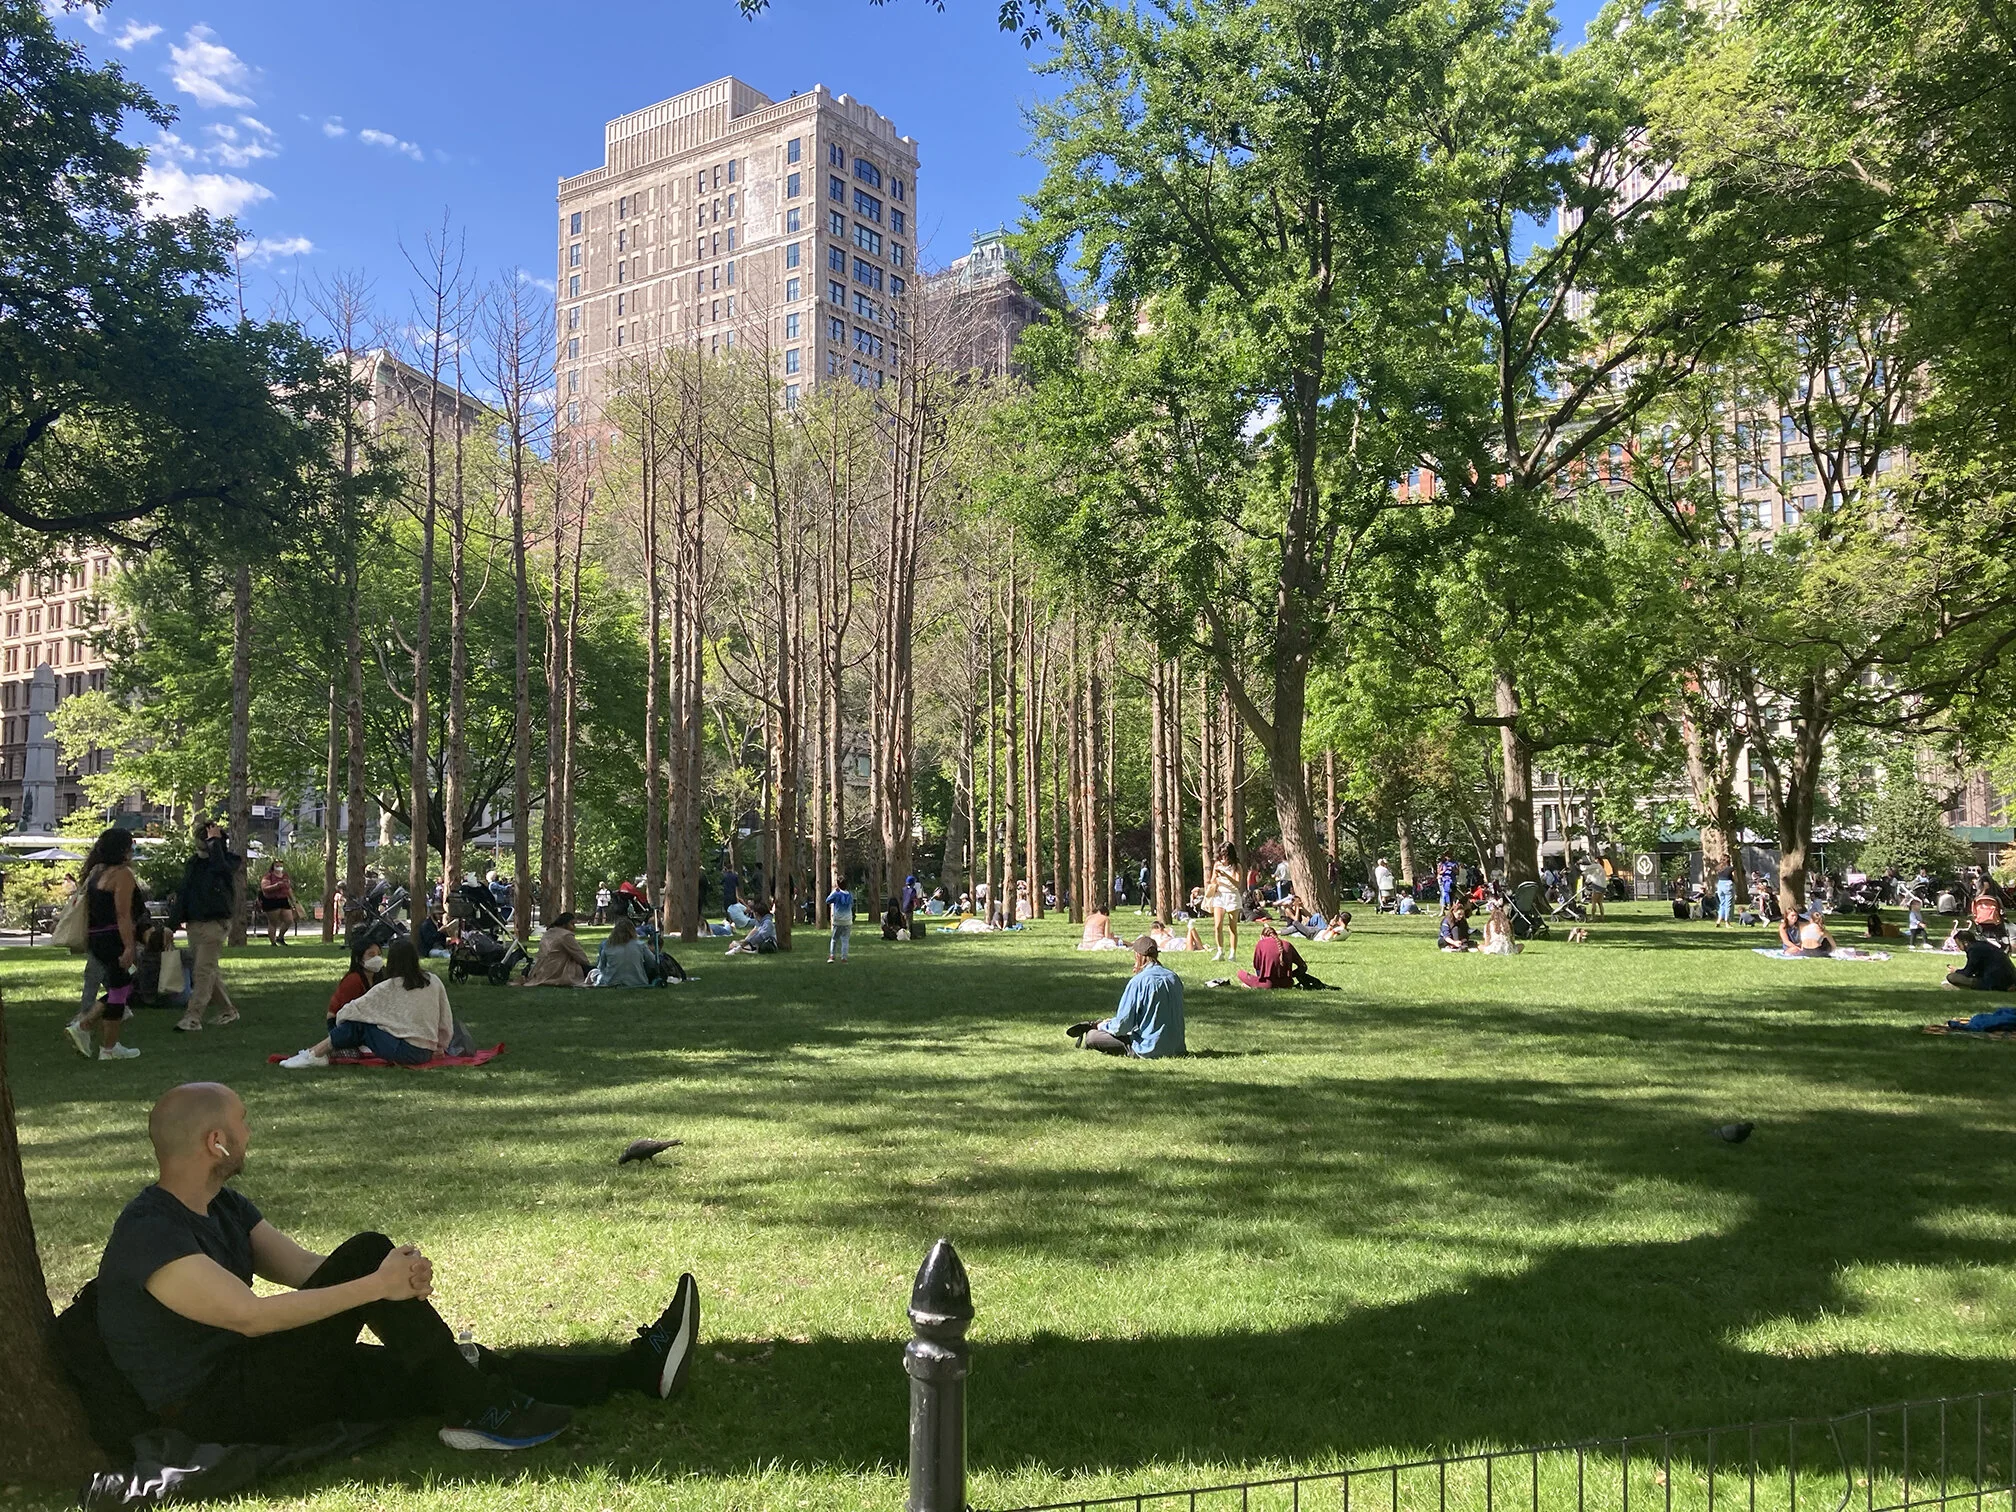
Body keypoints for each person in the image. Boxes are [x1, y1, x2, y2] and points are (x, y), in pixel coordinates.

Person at [91, 1082, 699, 1452]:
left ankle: (633, 1370)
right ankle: (481, 1411)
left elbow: (306, 1271)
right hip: (219, 1405)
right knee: (367, 1251)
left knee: (451, 1367)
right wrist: (374, 1281)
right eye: (244, 1121)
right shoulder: (153, 1235)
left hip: (265, 1375)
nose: (252, 1131)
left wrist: (388, 1285)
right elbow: (251, 1318)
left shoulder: (221, 1205)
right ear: (216, 1144)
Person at [281, 941, 452, 1068]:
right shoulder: (434, 981)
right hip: (426, 1051)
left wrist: (340, 1023)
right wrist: (440, 1045)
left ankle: (314, 1054)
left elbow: (351, 1011)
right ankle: (317, 1053)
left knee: (359, 1025)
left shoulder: (389, 987)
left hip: (406, 1051)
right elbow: (445, 1018)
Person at [66, 828, 148, 1061]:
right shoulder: (123, 875)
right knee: (121, 988)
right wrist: (129, 946)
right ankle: (103, 1043)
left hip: (96, 937)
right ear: (123, 849)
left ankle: (94, 1032)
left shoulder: (96, 873)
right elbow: (123, 914)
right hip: (114, 937)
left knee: (119, 987)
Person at [170, 820, 240, 1035]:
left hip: (215, 924)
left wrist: (215, 843)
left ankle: (193, 1016)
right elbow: (184, 893)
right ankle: (228, 1010)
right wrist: (171, 924)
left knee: (203, 971)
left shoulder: (228, 861)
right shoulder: (194, 864)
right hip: (195, 923)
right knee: (208, 970)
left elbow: (221, 868)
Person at [1070, 936, 1185, 1057]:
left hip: (1147, 1047)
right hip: (1177, 1047)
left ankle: (1096, 1025)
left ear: (1137, 955)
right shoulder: (1173, 977)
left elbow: (1123, 1025)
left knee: (1092, 1037)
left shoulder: (1138, 981)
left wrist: (1102, 1026)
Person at [325, 941, 387, 1027]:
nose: (377, 958)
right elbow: (347, 1010)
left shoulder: (380, 977)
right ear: (359, 959)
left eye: (379, 954)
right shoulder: (353, 980)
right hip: (342, 1020)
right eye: (371, 955)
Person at [520, 913, 590, 986]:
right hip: (557, 970)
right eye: (572, 924)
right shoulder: (566, 935)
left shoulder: (548, 932)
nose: (574, 927)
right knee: (592, 971)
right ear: (564, 924)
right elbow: (581, 957)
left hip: (541, 969)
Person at [592, 917, 661, 989]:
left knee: (594, 973)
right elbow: (652, 961)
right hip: (638, 982)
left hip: (611, 982)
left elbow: (601, 967)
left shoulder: (608, 946)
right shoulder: (640, 945)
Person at [1236, 924, 1306, 989]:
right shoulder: (1287, 944)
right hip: (1287, 983)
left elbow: (1257, 966)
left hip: (1268, 984)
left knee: (1240, 973)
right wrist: (1290, 975)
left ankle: (1255, 983)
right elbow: (1303, 966)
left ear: (1262, 936)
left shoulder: (1261, 943)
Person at [1207, 843, 1243, 963]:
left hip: (1232, 896)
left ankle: (1233, 953)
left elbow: (1237, 884)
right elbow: (1212, 880)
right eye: (1221, 854)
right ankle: (1220, 951)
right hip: (1220, 895)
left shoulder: (1237, 866)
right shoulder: (1217, 864)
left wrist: (1225, 875)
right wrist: (1216, 876)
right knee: (1217, 926)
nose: (1223, 857)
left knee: (1232, 926)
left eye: (1225, 854)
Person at [1945, 931, 2016, 992]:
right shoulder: (1983, 945)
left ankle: (2004, 988)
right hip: (2010, 978)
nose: (1958, 947)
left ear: (1965, 943)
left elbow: (1967, 972)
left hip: (1994, 981)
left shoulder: (1974, 950)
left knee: (1951, 977)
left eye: (1958, 945)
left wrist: (1956, 971)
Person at [257, 861, 297, 947]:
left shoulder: (285, 876)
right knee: (273, 922)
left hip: (283, 899)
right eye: (277, 866)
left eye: (281, 866)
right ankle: (273, 942)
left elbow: (288, 888)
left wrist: (293, 899)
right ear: (273, 867)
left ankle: (280, 937)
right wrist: (277, 885)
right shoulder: (268, 876)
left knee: (289, 920)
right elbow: (265, 888)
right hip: (271, 900)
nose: (279, 867)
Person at [825, 875, 855, 963]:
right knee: (845, 940)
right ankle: (844, 958)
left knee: (834, 939)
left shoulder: (837, 894)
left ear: (838, 884)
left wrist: (834, 891)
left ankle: (832, 956)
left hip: (838, 920)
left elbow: (827, 900)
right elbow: (852, 905)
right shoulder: (850, 894)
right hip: (848, 920)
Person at [1713, 861, 1735, 928]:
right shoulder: (1731, 868)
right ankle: (1727, 922)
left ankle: (1719, 921)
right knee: (1728, 904)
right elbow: (1735, 877)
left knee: (1722, 904)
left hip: (1720, 885)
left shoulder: (1719, 869)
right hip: (1728, 884)